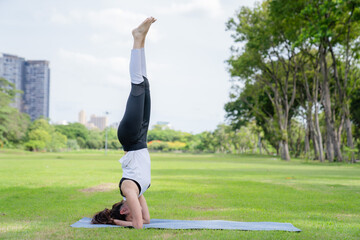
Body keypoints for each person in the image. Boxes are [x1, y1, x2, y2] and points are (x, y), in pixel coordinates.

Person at [91, 16, 156, 229]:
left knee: (137, 86)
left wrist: (115, 221)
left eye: (128, 215)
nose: (134, 214)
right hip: (141, 139)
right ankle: (142, 39)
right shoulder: (137, 193)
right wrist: (120, 220)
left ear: (125, 209)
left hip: (130, 137)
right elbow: (145, 220)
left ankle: (137, 38)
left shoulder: (129, 189)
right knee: (144, 85)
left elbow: (137, 225)